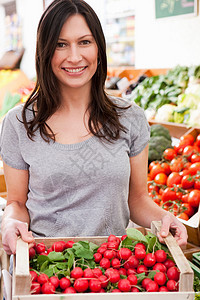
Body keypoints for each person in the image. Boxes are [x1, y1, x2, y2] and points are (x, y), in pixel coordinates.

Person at [0, 0, 187, 255]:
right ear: (44, 52)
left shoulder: (129, 118)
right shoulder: (19, 123)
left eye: (84, 42)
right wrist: (10, 222)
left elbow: (138, 199)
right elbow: (17, 202)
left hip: (114, 267)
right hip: (45, 268)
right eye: (60, 44)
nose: (74, 56)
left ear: (99, 48)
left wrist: (167, 218)